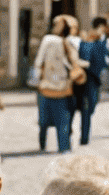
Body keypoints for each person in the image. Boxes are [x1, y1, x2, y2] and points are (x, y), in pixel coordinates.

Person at [31, 16, 79, 154]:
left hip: (47, 85)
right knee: (63, 118)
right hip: (64, 86)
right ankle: (64, 147)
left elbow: (39, 61)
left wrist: (36, 80)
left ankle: (43, 143)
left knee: (44, 119)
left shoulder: (48, 40)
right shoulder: (73, 41)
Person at [78, 16, 109, 146]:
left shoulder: (104, 41)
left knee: (92, 105)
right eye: (105, 26)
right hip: (86, 78)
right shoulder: (86, 40)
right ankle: (84, 137)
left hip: (96, 79)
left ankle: (84, 132)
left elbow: (106, 57)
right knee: (86, 108)